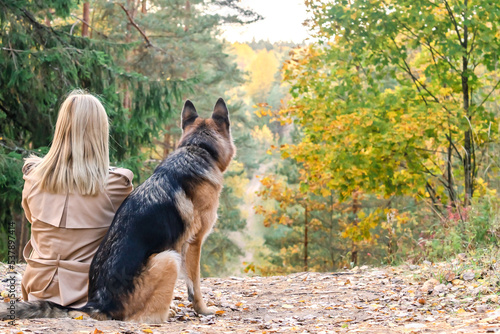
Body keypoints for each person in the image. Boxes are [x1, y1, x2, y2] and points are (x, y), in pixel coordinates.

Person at [20, 90, 134, 307]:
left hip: (38, 288)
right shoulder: (117, 184)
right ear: (100, 132)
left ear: (61, 128)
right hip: (89, 293)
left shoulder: (32, 178)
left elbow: (32, 220)